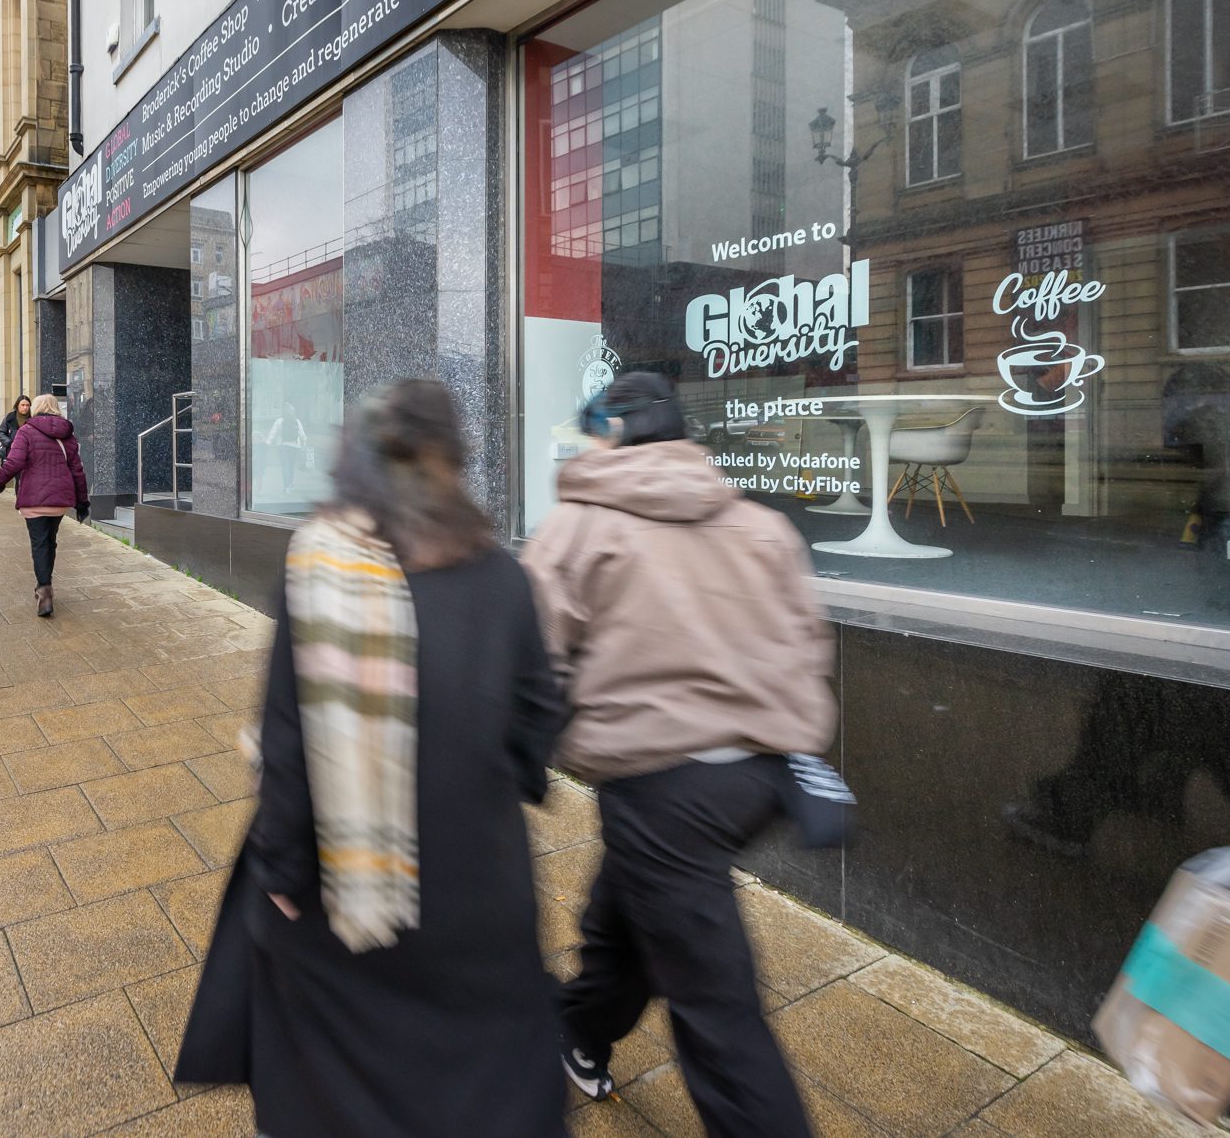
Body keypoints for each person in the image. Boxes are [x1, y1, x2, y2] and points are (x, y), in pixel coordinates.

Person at [177, 379, 569, 1136]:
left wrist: (283, 878)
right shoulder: (502, 576)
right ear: (455, 459)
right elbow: (536, 732)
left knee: (332, 1091)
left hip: (345, 906)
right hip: (478, 891)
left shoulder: (320, 570)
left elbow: (286, 745)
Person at [522, 371, 834, 1134]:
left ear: (612, 432)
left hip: (659, 785)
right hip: (759, 780)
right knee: (627, 909)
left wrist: (524, 751)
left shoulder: (577, 528)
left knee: (717, 1008)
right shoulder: (759, 525)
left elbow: (533, 658)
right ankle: (580, 1026)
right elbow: (806, 644)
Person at [0, 394, 88, 618]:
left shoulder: (27, 431)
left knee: (39, 543)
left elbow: (13, 463)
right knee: (50, 541)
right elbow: (77, 471)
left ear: (36, 408)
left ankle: (44, 590)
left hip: (34, 498)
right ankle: (44, 583)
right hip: (60, 499)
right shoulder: (67, 434)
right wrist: (82, 502)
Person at [265, 402, 306, 493]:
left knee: (285, 466)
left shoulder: (279, 421)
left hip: (282, 446)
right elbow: (302, 435)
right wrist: (304, 444)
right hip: (295, 447)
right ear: (293, 412)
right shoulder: (296, 421)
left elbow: (273, 433)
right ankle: (290, 484)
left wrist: (267, 443)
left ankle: (286, 486)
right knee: (291, 466)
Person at [0, 393, 32, 463]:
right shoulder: (9, 418)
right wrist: (10, 443)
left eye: (27, 405)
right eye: (23, 405)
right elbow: (0, 433)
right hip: (10, 452)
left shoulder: (33, 420)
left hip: (27, 454)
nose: (25, 407)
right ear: (17, 405)